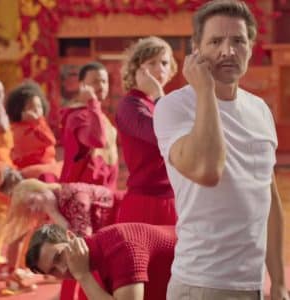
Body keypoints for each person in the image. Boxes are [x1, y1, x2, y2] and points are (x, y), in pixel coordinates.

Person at [153, 1, 289, 299]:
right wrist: (205, 91)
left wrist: (277, 282)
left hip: (253, 285)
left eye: (238, 41)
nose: (228, 51)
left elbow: (268, 199)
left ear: (251, 47)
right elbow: (207, 170)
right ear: (196, 49)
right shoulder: (173, 107)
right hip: (202, 284)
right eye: (215, 41)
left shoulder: (260, 111)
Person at [115, 36, 177, 225]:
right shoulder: (130, 105)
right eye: (152, 63)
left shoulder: (158, 103)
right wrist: (159, 93)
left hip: (171, 201)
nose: (161, 69)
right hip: (146, 205)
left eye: (165, 63)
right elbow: (164, 135)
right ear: (137, 70)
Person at [26, 223, 176, 300]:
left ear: (71, 237)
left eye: (59, 256)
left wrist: (83, 276)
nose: (62, 269)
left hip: (197, 276)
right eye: (53, 270)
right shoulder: (93, 252)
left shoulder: (120, 247)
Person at [60, 62, 118, 190]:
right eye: (95, 82)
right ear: (82, 86)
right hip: (82, 196)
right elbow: (97, 140)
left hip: (104, 194)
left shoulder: (100, 116)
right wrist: (92, 103)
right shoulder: (77, 117)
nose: (101, 86)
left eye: (104, 81)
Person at [5, 80, 62, 180]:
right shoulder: (18, 129)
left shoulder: (39, 124)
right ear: (20, 110)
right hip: (32, 172)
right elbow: (49, 140)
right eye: (31, 106)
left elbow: (51, 141)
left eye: (39, 107)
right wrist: (37, 122)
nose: (37, 110)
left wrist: (38, 123)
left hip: (50, 168)